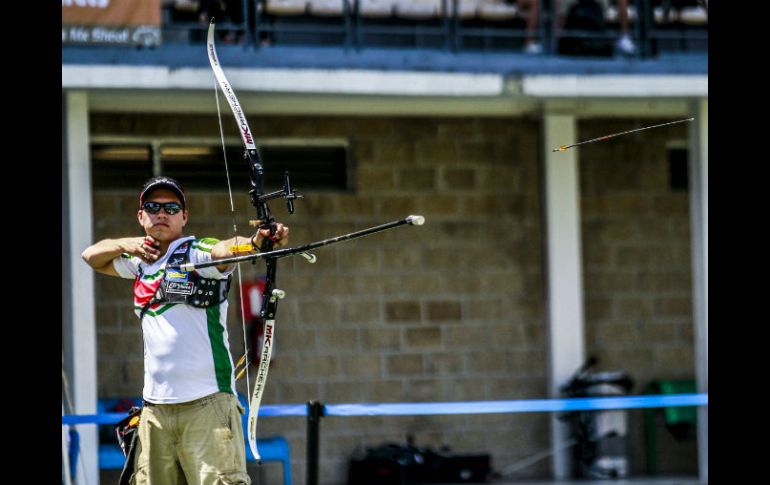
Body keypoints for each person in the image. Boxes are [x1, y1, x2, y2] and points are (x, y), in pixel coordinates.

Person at [82, 175, 290, 485]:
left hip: (206, 405)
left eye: (171, 207)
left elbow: (224, 250)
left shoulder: (195, 252)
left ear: (184, 216)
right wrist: (129, 244)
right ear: (141, 217)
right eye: (153, 207)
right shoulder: (141, 262)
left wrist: (256, 242)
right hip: (155, 411)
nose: (162, 213)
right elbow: (91, 256)